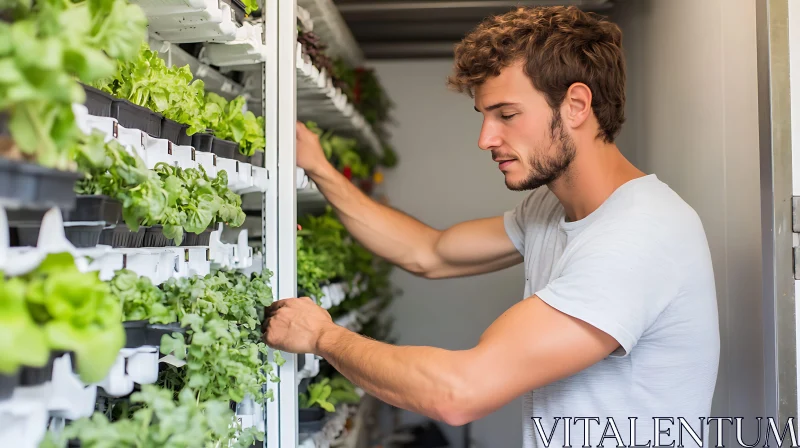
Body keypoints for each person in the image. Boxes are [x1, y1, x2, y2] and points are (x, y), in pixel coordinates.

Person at [263, 5, 719, 447]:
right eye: (484, 116)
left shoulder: (640, 234)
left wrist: (322, 336)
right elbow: (430, 252)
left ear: (577, 105)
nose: (486, 139)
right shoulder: (549, 208)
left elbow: (460, 391)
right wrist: (320, 168)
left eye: (507, 114)